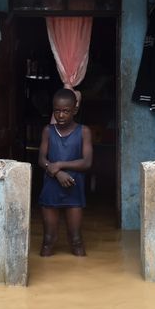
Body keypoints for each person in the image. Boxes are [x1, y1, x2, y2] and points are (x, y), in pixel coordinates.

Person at [37, 88, 93, 257]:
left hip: (74, 189)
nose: (61, 115)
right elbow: (41, 159)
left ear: (75, 110)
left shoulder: (84, 132)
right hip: (51, 190)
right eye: (57, 111)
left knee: (76, 240)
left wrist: (59, 164)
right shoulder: (48, 131)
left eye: (66, 111)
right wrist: (57, 173)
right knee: (48, 240)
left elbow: (86, 162)